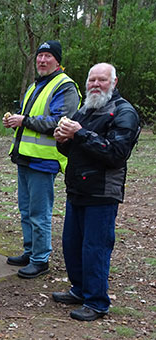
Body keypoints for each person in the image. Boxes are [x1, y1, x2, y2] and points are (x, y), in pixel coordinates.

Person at [52, 63, 140, 321]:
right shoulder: (85, 110)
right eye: (92, 80)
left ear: (114, 82)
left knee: (95, 248)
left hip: (102, 192)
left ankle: (97, 302)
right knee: (72, 244)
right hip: (77, 188)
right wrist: (63, 141)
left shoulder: (123, 112)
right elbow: (74, 151)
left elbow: (116, 154)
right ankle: (80, 290)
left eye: (102, 80)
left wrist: (79, 134)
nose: (95, 84)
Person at [2, 40, 81, 278]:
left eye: (48, 56)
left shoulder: (64, 87)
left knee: (39, 213)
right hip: (25, 158)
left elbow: (61, 122)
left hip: (44, 161)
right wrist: (15, 121)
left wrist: (23, 120)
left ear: (58, 60)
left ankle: (40, 259)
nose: (42, 60)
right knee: (26, 211)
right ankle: (30, 251)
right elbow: (29, 118)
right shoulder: (36, 84)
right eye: (40, 56)